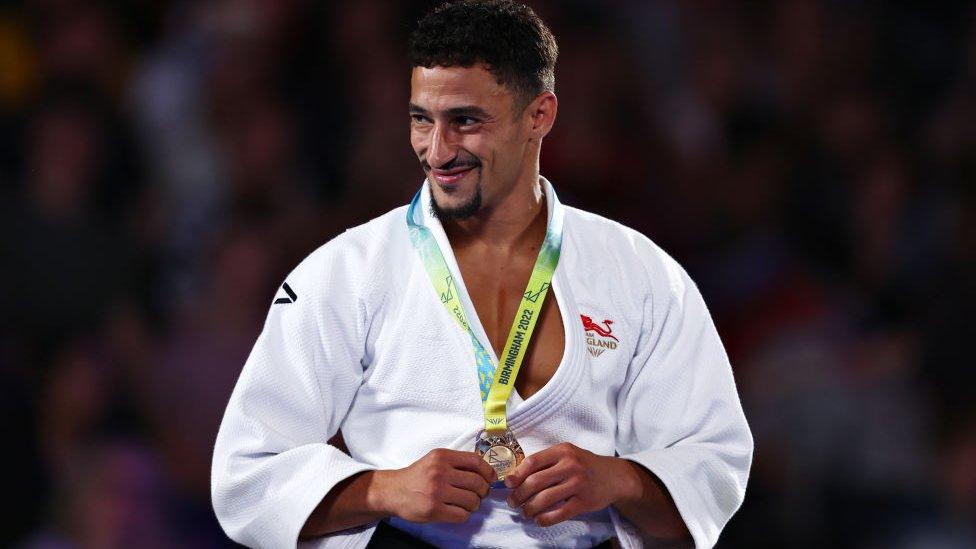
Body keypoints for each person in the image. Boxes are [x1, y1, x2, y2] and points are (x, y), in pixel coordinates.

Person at [211, 1, 753, 548]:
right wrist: (382, 489)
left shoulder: (640, 274)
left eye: (465, 120)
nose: (437, 151)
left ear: (539, 115)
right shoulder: (347, 273)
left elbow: (714, 463)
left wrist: (620, 479)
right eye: (422, 119)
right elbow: (246, 475)